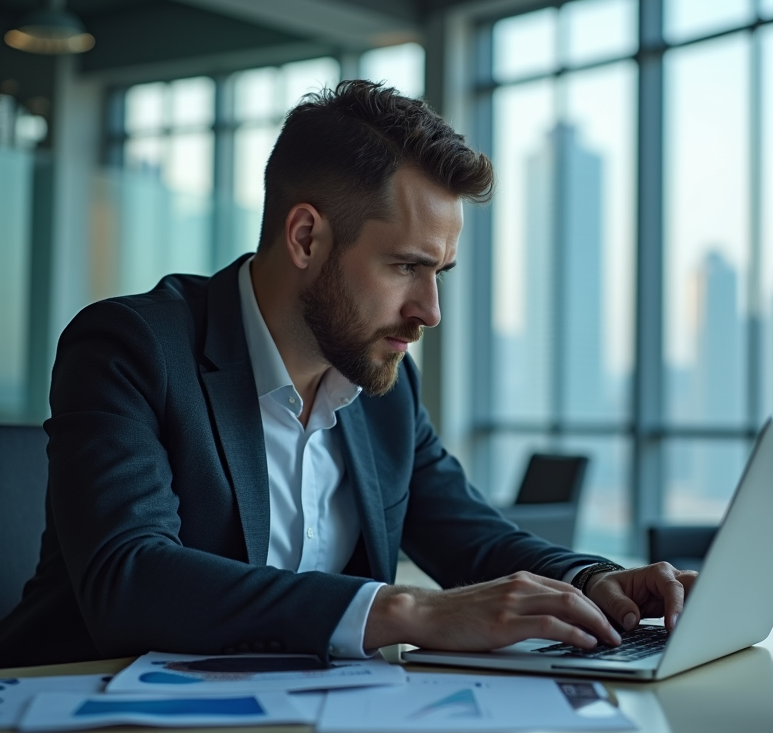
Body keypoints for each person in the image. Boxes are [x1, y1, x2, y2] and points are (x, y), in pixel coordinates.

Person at [0, 81, 695, 669]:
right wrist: (408, 611)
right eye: (405, 267)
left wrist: (595, 578)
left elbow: (474, 537)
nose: (429, 311)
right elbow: (131, 578)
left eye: (439, 273)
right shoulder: (131, 346)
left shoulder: (382, 383)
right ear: (307, 237)